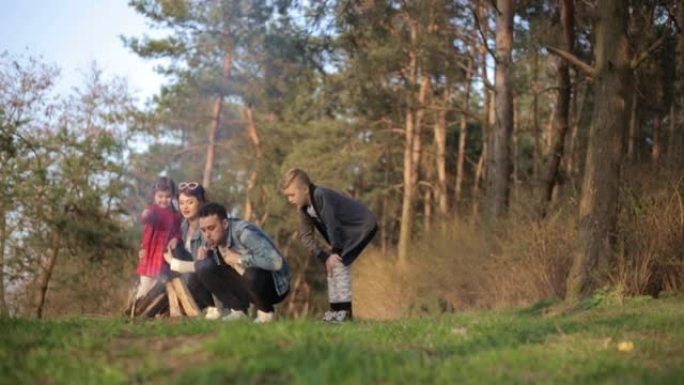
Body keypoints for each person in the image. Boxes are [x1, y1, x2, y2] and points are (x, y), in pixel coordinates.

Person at [280, 168, 378, 322]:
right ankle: (335, 311)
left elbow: (333, 225)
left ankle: (345, 313)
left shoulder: (320, 195)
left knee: (339, 264)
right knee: (332, 267)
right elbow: (306, 237)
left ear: (305, 189)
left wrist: (335, 252)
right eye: (287, 196)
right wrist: (325, 257)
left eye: (292, 195)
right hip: (344, 234)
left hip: (361, 226)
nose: (290, 199)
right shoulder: (303, 209)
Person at [166, 202, 290, 322]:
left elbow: (276, 262)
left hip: (275, 288)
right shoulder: (210, 239)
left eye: (211, 228)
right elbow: (201, 267)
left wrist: (240, 259)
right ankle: (238, 311)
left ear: (225, 224)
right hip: (247, 285)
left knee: (251, 272)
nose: (207, 235)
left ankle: (266, 313)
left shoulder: (244, 233)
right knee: (204, 266)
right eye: (203, 230)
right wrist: (180, 263)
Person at [166, 181, 215, 311]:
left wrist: (172, 262)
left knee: (195, 273)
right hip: (189, 277)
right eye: (181, 203)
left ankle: (213, 306)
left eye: (190, 202)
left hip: (209, 281)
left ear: (201, 202)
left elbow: (204, 266)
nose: (185, 207)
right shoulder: (181, 227)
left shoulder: (209, 226)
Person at [135, 177, 182, 299]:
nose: (164, 200)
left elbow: (178, 231)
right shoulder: (153, 209)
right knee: (145, 285)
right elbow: (145, 217)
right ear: (154, 196)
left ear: (173, 196)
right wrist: (146, 214)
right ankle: (134, 308)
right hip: (150, 252)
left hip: (163, 254)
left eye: (167, 197)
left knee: (158, 286)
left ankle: (153, 312)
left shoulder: (175, 214)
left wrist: (175, 239)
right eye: (160, 196)